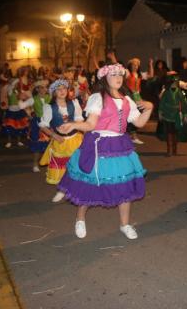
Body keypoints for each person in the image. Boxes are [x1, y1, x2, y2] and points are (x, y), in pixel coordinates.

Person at [56, 63, 153, 240]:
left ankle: (125, 224)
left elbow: (138, 123)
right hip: (99, 145)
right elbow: (91, 124)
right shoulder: (98, 98)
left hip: (120, 145)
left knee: (124, 184)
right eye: (113, 74)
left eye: (120, 75)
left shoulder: (127, 100)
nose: (118, 78)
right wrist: (73, 124)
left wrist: (150, 108)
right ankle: (80, 218)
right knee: (90, 183)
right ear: (104, 78)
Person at [39, 79, 84, 201]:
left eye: (64, 88)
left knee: (76, 164)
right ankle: (62, 190)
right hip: (60, 141)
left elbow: (80, 119)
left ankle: (77, 189)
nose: (62, 91)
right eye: (58, 89)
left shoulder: (74, 103)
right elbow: (43, 125)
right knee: (61, 166)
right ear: (54, 93)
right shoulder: (50, 107)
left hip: (75, 139)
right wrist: (54, 135)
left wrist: (77, 125)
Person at [156, 73, 187, 156]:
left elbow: (183, 104)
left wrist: (185, 114)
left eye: (177, 82)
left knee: (175, 133)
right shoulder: (166, 92)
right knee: (169, 133)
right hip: (167, 115)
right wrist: (160, 112)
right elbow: (162, 103)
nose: (176, 84)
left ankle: (174, 150)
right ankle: (169, 150)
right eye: (175, 82)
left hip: (176, 116)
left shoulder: (178, 92)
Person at [126, 57, 154, 144]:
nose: (135, 66)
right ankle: (132, 135)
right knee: (131, 115)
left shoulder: (140, 75)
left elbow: (151, 75)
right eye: (134, 65)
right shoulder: (127, 73)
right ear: (130, 66)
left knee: (139, 113)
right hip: (129, 97)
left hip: (137, 97)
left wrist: (150, 65)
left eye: (137, 65)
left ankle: (132, 134)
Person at [24, 80, 50, 173]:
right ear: (38, 89)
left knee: (49, 145)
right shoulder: (33, 99)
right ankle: (35, 164)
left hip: (48, 123)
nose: (44, 89)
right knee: (37, 144)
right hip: (37, 123)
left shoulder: (50, 97)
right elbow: (22, 105)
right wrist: (29, 114)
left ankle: (49, 166)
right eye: (42, 87)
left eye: (45, 87)